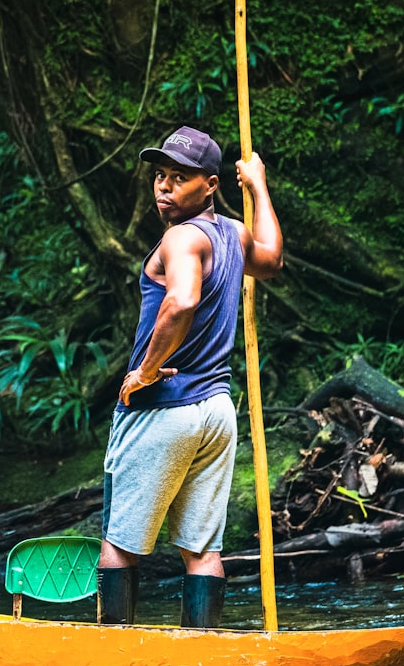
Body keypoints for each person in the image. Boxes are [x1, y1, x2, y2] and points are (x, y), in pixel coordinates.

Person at [98, 126, 283, 627]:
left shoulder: (180, 237)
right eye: (160, 176)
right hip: (217, 413)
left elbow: (181, 301)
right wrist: (260, 187)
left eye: (179, 178)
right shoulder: (232, 233)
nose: (164, 187)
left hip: (163, 407)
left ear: (210, 185)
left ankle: (111, 664)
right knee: (202, 550)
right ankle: (199, 661)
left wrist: (144, 373)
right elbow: (271, 259)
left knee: (119, 543)